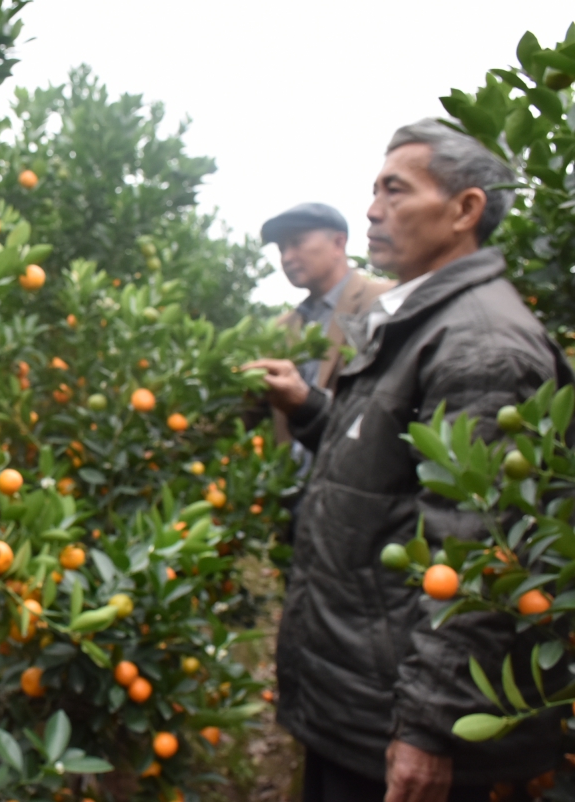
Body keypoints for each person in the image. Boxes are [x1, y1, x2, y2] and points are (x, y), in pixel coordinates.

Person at [246, 119, 573, 802]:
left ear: (464, 210)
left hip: (397, 717)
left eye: (395, 190)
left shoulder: (481, 346)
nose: (371, 210)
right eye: (373, 190)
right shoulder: (424, 323)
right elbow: (388, 471)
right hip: (361, 700)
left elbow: (478, 554)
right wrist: (310, 409)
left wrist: (430, 727)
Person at [259, 203, 391, 457]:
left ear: (339, 243)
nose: (286, 257)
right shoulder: (282, 328)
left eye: (297, 243)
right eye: (281, 248)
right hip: (292, 488)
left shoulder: (384, 301)